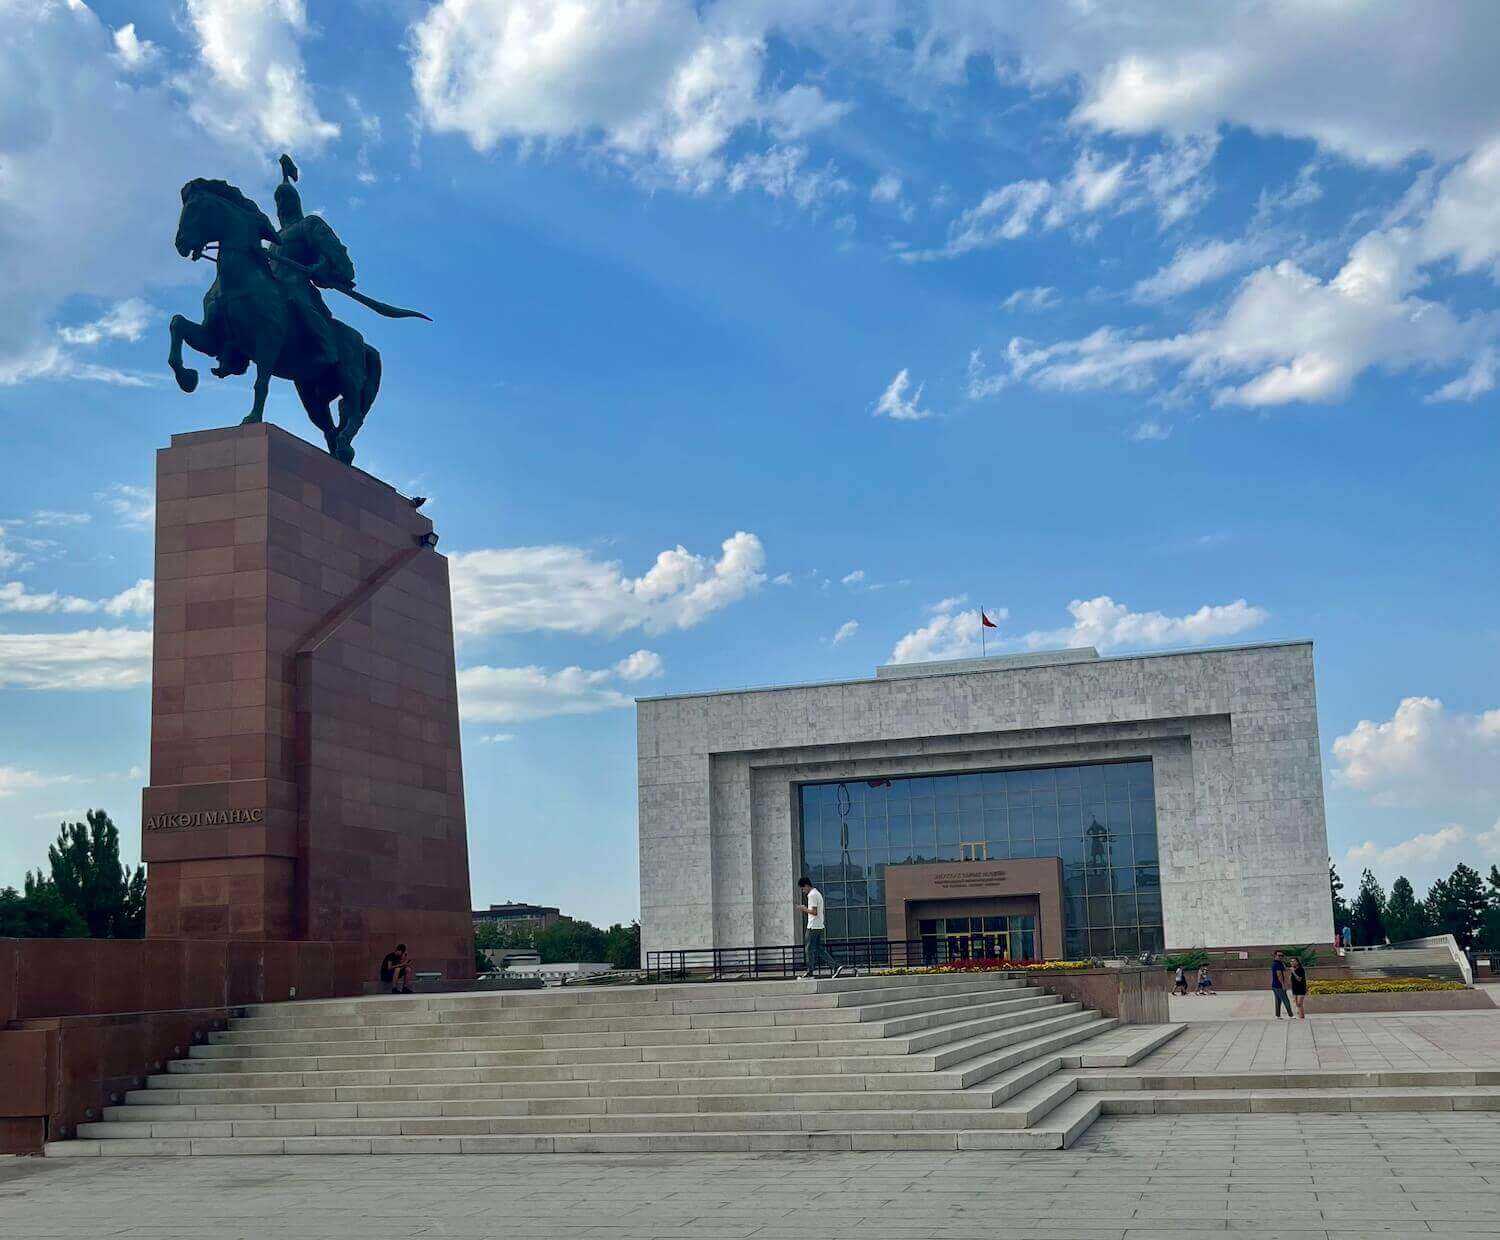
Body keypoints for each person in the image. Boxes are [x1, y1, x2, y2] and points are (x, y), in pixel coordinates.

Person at [270, 154, 354, 371]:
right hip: (274, 286)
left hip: (297, 285)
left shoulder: (308, 225)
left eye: (287, 199)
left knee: (300, 303)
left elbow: (332, 250)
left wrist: (321, 266)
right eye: (279, 201)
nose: (282, 204)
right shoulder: (275, 237)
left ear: (296, 202)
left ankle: (328, 349)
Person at [796, 877, 845, 979]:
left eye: (803, 889)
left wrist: (804, 909)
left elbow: (814, 912)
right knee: (819, 949)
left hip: (813, 926)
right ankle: (836, 966)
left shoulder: (812, 895)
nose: (803, 891)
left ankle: (810, 971)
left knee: (808, 949)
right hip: (819, 926)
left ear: (806, 885)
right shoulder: (817, 893)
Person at [1270, 949, 1294, 1019]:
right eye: (1279, 955)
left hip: (1274, 985)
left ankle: (1278, 1016)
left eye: (1282, 955)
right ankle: (1291, 1015)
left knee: (1278, 1000)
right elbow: (1279, 975)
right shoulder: (1277, 964)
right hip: (1278, 985)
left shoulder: (1278, 963)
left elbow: (1283, 971)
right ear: (1275, 956)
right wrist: (1283, 984)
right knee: (1286, 1000)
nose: (1281, 957)